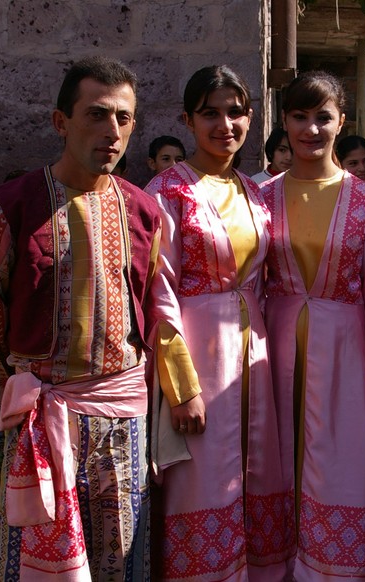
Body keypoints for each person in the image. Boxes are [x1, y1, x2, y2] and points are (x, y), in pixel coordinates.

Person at [0, 56, 160, 581]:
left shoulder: (144, 212)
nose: (112, 132)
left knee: (121, 558)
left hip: (120, 419)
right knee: (33, 563)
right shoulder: (13, 206)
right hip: (41, 418)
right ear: (60, 122)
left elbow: (153, 309)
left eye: (124, 119)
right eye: (97, 115)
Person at [145, 65, 289, 581]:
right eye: (210, 112)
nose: (224, 123)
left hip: (253, 353)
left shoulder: (255, 191)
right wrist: (182, 387)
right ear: (187, 119)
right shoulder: (168, 190)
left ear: (251, 118)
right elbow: (159, 290)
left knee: (255, 476)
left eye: (235, 112)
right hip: (200, 354)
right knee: (202, 482)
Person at [261, 71, 365, 580]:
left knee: (336, 467)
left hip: (344, 354)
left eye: (323, 117)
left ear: (343, 122)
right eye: (299, 117)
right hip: (272, 352)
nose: (311, 129)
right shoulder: (262, 197)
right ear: (284, 122)